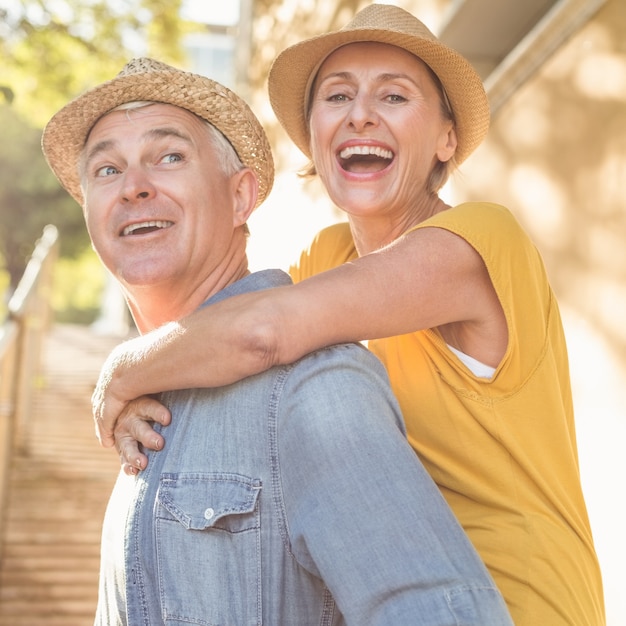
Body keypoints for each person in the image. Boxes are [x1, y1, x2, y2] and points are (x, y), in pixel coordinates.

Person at [87, 5, 605, 626]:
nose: (361, 113)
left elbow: (258, 333)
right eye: (337, 96)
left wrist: (120, 375)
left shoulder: (477, 241)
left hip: (517, 604)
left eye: (394, 94)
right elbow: (230, 342)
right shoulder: (326, 258)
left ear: (447, 138)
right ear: (314, 136)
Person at [41, 57, 513, 625]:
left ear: (243, 197)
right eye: (106, 170)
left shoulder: (313, 388)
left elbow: (443, 614)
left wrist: (122, 368)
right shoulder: (149, 405)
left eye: (170, 157)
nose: (135, 187)